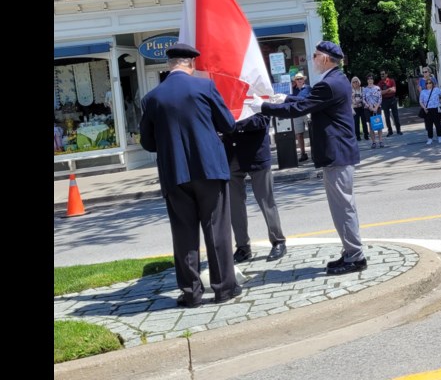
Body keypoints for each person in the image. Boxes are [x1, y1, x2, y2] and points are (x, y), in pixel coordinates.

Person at [139, 42, 241, 307]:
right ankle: (224, 288)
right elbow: (228, 124)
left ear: (169, 65)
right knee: (216, 229)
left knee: (184, 234)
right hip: (208, 168)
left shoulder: (152, 98)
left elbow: (148, 143)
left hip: (175, 172)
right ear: (191, 64)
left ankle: (191, 293)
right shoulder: (204, 87)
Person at [256, 41, 367, 276]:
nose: (312, 57)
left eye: (315, 55)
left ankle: (355, 256)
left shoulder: (329, 84)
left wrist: (264, 107)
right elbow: (306, 102)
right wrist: (283, 99)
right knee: (343, 207)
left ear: (325, 58)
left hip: (336, 153)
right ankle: (351, 251)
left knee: (342, 208)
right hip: (337, 153)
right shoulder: (334, 80)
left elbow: (302, 108)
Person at [222, 113, 286, 263]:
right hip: (232, 154)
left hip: (256, 153)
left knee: (266, 200)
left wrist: (235, 123)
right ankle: (243, 247)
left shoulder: (256, 90)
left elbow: (263, 119)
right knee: (235, 204)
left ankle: (278, 241)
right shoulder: (222, 92)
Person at [291, 73, 311, 162]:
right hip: (297, 113)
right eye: (297, 79)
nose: (299, 80)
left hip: (307, 112)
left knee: (312, 132)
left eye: (300, 79)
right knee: (299, 134)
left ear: (304, 80)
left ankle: (315, 152)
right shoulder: (292, 90)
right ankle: (303, 154)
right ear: (295, 81)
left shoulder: (308, 88)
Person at [419, 76, 441, 144]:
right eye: (427, 83)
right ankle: (430, 138)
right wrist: (424, 108)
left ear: (432, 84)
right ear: (425, 84)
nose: (428, 84)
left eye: (430, 83)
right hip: (427, 110)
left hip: (436, 108)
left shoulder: (436, 90)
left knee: (437, 123)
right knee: (429, 125)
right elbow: (421, 101)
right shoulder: (423, 92)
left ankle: (439, 136)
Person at [378, 69, 403, 137]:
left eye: (383, 74)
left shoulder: (391, 81)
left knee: (395, 115)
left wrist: (385, 91)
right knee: (387, 116)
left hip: (392, 99)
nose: (382, 76)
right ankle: (390, 131)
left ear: (386, 74)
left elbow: (394, 90)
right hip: (385, 100)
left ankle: (398, 130)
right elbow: (380, 93)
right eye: (381, 74)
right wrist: (389, 89)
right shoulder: (380, 83)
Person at [362, 74, 383, 149]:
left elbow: (380, 98)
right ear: (367, 80)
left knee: (379, 125)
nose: (370, 80)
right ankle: (373, 142)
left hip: (377, 108)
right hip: (368, 109)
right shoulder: (364, 89)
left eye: (371, 78)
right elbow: (363, 99)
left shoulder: (377, 88)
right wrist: (369, 106)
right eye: (368, 79)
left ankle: (381, 141)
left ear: (373, 80)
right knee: (371, 126)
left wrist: (376, 107)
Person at [350, 76, 369, 142]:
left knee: (364, 121)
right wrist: (354, 102)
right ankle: (357, 136)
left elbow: (365, 97)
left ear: (359, 82)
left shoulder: (362, 89)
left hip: (362, 107)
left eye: (356, 81)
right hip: (355, 108)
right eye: (353, 82)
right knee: (356, 122)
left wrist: (360, 101)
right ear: (352, 83)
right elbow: (349, 99)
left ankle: (366, 135)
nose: (355, 83)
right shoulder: (350, 90)